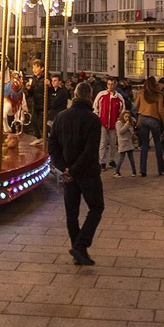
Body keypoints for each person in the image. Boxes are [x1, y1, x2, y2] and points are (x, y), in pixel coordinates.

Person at [47, 81, 103, 266]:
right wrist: (74, 169)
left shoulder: (61, 117)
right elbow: (90, 150)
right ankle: (81, 245)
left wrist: (64, 168)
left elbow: (52, 145)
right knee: (96, 207)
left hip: (68, 174)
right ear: (89, 96)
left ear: (75, 94)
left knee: (72, 212)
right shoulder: (93, 120)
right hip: (87, 172)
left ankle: (77, 248)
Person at [133, 77, 164, 177]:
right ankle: (161, 169)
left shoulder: (141, 93)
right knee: (157, 144)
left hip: (142, 119)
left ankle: (143, 170)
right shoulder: (158, 95)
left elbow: (136, 106)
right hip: (154, 119)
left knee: (144, 145)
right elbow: (161, 110)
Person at [95, 78, 124, 170]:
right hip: (103, 122)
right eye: (108, 84)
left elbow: (122, 111)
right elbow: (95, 107)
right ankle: (102, 161)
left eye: (112, 84)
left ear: (115, 85)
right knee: (102, 143)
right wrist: (98, 119)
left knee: (112, 143)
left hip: (113, 123)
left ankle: (111, 160)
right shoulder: (101, 95)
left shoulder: (119, 97)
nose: (110, 86)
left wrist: (119, 121)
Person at [113, 111, 138, 175]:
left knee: (131, 159)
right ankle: (116, 172)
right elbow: (120, 132)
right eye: (126, 116)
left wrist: (132, 132)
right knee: (121, 158)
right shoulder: (118, 123)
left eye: (128, 117)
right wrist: (126, 125)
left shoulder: (129, 123)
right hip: (123, 143)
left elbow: (132, 132)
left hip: (129, 142)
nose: (127, 118)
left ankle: (134, 171)